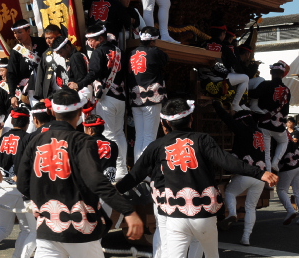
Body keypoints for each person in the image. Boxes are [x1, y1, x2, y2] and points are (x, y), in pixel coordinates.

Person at [116, 99, 277, 257]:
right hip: (204, 214)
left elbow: (134, 176)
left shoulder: (157, 146)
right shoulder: (203, 140)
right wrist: (260, 173)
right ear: (191, 119)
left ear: (165, 124)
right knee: (211, 255)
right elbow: (227, 161)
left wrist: (110, 192)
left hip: (175, 216)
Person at [17, 89, 143, 258]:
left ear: (52, 111)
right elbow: (96, 180)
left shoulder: (36, 141)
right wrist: (127, 210)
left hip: (48, 227)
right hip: (81, 227)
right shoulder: (82, 141)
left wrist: (43, 200)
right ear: (79, 113)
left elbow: (22, 183)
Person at [214, 103, 267, 246]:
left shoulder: (243, 130)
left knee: (230, 192)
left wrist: (217, 105)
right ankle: (246, 238)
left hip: (247, 172)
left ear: (241, 121)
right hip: (261, 174)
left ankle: (232, 213)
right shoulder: (259, 133)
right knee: (251, 207)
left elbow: (227, 120)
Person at [80, 23, 128, 180]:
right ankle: (122, 170)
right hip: (120, 97)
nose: (89, 43)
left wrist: (79, 84)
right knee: (119, 133)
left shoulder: (98, 52)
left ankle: (112, 171)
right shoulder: (119, 51)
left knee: (108, 134)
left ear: (101, 38)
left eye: (92, 40)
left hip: (107, 98)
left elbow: (93, 73)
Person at [0, 106, 37, 258]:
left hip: (2, 187)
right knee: (31, 230)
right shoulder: (28, 138)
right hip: (21, 189)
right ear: (28, 122)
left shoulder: (2, 138)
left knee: (3, 228)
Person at [128, 26, 169, 161]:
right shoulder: (155, 52)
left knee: (140, 136)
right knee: (150, 136)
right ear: (153, 41)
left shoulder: (132, 53)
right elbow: (166, 60)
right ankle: (146, 169)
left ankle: (138, 167)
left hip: (136, 98)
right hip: (152, 98)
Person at [251, 61, 291, 172]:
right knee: (284, 142)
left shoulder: (265, 84)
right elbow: (286, 110)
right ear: (283, 75)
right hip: (279, 125)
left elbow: (254, 94)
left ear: (271, 72)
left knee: (266, 154)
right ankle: (275, 162)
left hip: (264, 123)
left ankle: (268, 176)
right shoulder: (286, 90)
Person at [8, 19, 48, 108]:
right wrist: (12, 95)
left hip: (47, 82)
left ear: (28, 31)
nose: (17, 35)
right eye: (15, 33)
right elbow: (11, 73)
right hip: (30, 88)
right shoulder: (16, 51)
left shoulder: (42, 43)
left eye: (20, 32)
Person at [277, 129, 299, 225]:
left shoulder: (274, 136)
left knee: (281, 190)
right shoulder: (286, 133)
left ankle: (291, 210)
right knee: (298, 191)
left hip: (287, 165)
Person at [83, 114, 118, 183]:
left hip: (91, 184)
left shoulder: (85, 144)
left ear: (90, 130)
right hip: (108, 184)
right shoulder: (113, 145)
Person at [35, 25, 65, 100]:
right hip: (53, 93)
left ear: (59, 36)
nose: (48, 41)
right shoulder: (46, 54)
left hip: (68, 90)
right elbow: (41, 74)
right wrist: (40, 96)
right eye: (46, 38)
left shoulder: (67, 50)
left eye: (51, 38)